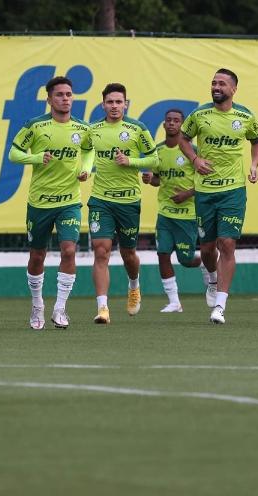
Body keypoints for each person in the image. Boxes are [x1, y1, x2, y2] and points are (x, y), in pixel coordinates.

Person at [179, 68, 258, 324]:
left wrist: (254, 165)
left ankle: (220, 306)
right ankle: (212, 279)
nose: (216, 87)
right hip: (205, 191)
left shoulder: (245, 116)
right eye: (213, 82)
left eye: (222, 83)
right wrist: (195, 158)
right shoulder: (200, 114)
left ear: (233, 89)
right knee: (206, 249)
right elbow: (183, 138)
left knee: (227, 244)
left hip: (233, 190)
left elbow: (257, 141)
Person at [9, 75, 93, 329]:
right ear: (49, 99)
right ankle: (37, 306)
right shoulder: (34, 126)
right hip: (40, 201)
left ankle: (60, 308)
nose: (65, 99)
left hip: (69, 201)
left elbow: (89, 151)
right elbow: (14, 153)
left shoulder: (82, 128)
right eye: (59, 95)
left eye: (69, 94)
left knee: (69, 250)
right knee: (37, 256)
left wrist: (86, 169)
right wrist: (35, 158)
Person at [87, 83, 158, 324]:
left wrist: (131, 161)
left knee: (128, 253)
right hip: (101, 200)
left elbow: (154, 159)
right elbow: (85, 154)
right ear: (103, 104)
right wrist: (84, 170)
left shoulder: (137, 129)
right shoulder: (93, 130)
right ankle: (103, 308)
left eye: (119, 102)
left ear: (126, 104)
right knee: (101, 251)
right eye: (110, 102)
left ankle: (134, 285)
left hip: (128, 201)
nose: (115, 106)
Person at [142, 108, 208, 312]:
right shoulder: (158, 151)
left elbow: (206, 181)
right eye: (168, 120)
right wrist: (149, 179)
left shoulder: (192, 151)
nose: (171, 123)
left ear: (182, 125)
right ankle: (174, 302)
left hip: (187, 215)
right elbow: (157, 180)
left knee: (186, 259)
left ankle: (205, 264)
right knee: (162, 254)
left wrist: (186, 194)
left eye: (176, 121)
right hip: (165, 213)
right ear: (163, 124)